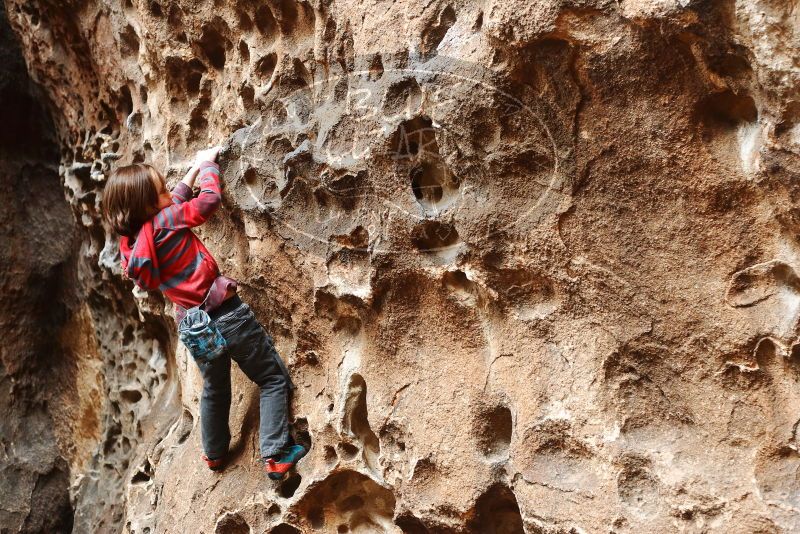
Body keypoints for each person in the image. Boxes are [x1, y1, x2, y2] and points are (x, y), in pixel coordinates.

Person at [101, 147, 306, 480]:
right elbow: (205, 203)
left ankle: (214, 454)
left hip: (194, 325)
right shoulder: (166, 219)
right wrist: (208, 168)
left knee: (215, 387)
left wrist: (192, 170)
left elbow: (171, 204)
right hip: (227, 314)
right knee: (271, 379)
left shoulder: (132, 245)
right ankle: (276, 454)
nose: (171, 192)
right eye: (161, 191)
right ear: (150, 206)